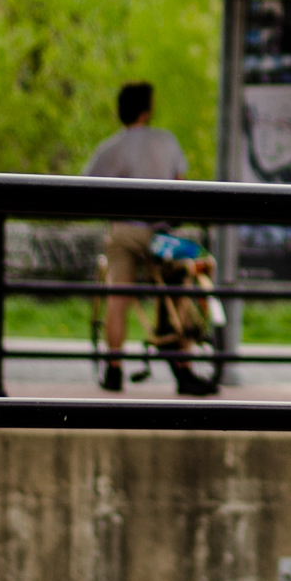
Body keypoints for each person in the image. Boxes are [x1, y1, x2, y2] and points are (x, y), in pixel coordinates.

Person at [86, 81, 189, 393]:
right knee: (180, 283)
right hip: (161, 232)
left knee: (118, 297)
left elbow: (87, 188)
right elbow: (181, 181)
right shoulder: (166, 141)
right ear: (148, 109)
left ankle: (114, 368)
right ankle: (184, 367)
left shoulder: (109, 149)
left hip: (125, 230)